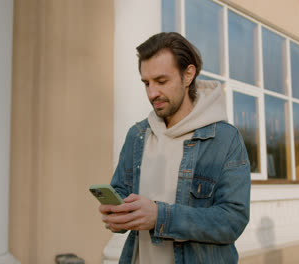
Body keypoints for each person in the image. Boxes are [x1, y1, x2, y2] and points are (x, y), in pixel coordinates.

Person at [99, 32, 250, 264]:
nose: (152, 93)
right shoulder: (137, 135)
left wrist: (161, 217)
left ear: (188, 75)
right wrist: (117, 215)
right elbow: (120, 191)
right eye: (146, 83)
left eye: (161, 81)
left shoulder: (225, 139)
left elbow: (232, 221)